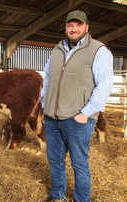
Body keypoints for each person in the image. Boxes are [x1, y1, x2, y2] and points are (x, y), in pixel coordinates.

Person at [40, 10, 113, 202]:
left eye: (78, 25)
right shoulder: (56, 50)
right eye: (70, 26)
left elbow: (104, 85)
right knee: (55, 161)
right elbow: (47, 79)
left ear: (87, 27)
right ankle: (58, 196)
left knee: (79, 164)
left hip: (78, 120)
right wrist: (43, 103)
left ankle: (82, 200)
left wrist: (85, 114)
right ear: (65, 28)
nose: (74, 29)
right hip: (52, 118)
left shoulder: (99, 50)